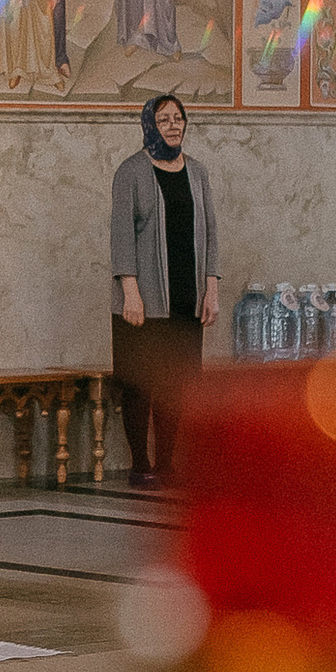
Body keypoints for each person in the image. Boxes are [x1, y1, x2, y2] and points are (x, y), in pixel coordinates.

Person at [111, 92, 218, 485]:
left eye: (178, 119)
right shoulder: (130, 172)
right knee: (140, 383)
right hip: (144, 299)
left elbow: (211, 235)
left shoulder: (198, 172)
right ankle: (141, 464)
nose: (173, 126)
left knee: (177, 384)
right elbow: (121, 235)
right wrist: (131, 292)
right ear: (149, 126)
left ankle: (167, 463)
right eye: (164, 120)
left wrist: (212, 288)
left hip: (186, 297)